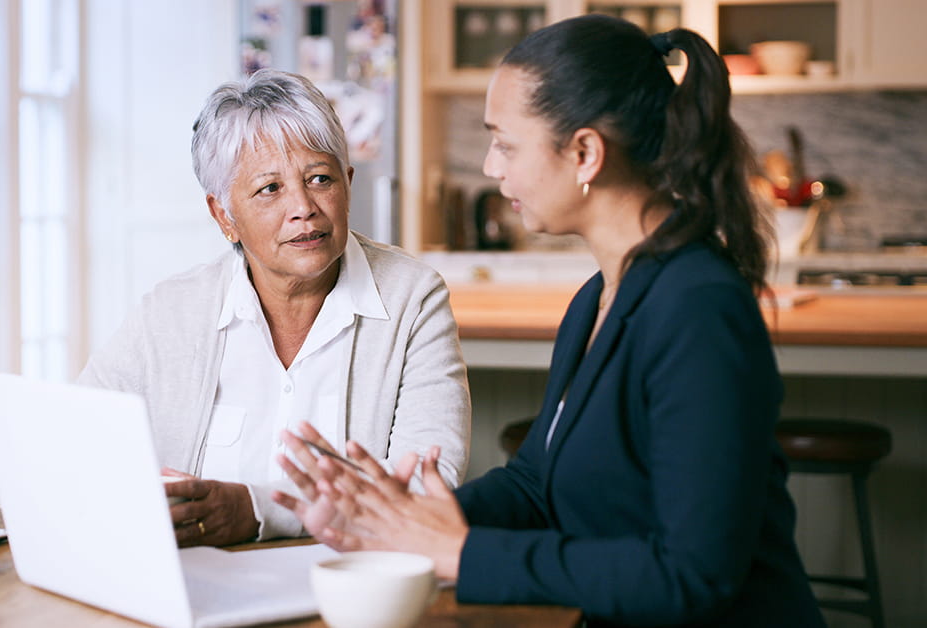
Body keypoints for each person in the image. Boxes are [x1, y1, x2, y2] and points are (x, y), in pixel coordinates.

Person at [275, 15, 825, 627]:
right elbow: (538, 481)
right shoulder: (598, 297)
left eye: (506, 144)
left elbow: (693, 573)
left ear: (585, 153)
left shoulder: (698, 307)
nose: (489, 165)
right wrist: (401, 516)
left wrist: (459, 552)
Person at [77, 69, 470, 548]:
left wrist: (258, 510)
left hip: (354, 589)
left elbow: (430, 479)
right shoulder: (171, 312)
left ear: (347, 184)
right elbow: (80, 439)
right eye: (270, 189)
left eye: (320, 179)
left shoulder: (413, 297)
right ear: (224, 215)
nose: (303, 207)